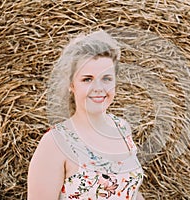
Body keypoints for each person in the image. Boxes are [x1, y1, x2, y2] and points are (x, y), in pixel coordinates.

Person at [27, 30, 144, 200]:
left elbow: (132, 190)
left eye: (106, 78)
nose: (98, 88)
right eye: (87, 79)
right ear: (71, 84)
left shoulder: (122, 128)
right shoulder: (55, 143)